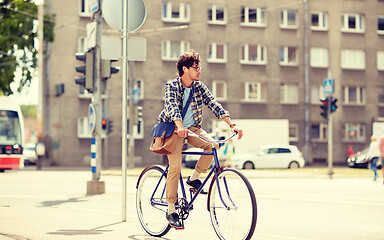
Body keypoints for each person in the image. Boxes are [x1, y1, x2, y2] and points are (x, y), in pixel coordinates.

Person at [156, 49, 243, 229]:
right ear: (185, 69)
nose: (199, 70)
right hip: (173, 129)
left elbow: (214, 104)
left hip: (192, 129)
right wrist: (179, 126)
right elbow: (172, 107)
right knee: (175, 167)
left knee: (212, 146)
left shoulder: (199, 87)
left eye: (199, 67)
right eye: (196, 68)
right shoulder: (172, 86)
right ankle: (171, 209)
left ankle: (194, 178)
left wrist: (232, 124)